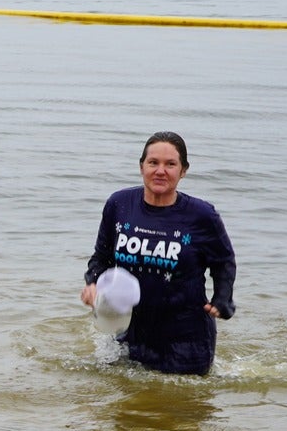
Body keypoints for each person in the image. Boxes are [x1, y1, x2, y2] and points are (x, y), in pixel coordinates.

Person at [81, 132, 236, 376]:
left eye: (170, 164)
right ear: (141, 166)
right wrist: (93, 284)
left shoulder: (201, 215)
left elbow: (223, 262)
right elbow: (101, 258)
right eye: (153, 162)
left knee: (182, 410)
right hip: (129, 332)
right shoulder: (119, 204)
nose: (160, 171)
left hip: (185, 340)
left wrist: (223, 298)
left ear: (183, 170)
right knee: (121, 408)